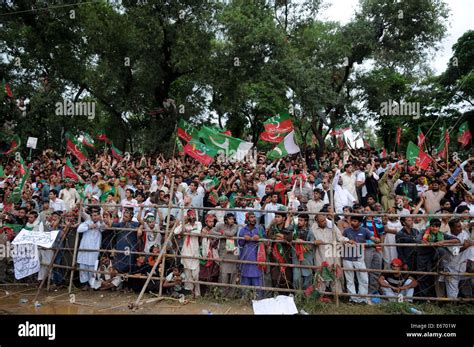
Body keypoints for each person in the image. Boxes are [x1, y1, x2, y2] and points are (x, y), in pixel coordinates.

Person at [415, 218, 460, 298]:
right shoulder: (424, 232)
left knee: (441, 250)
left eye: (436, 227)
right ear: (430, 226)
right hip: (423, 259)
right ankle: (423, 299)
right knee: (422, 278)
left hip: (434, 260)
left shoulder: (441, 234)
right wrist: (430, 243)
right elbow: (418, 240)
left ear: (439, 228)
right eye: (432, 226)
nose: (434, 228)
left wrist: (444, 242)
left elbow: (457, 240)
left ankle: (433, 299)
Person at [342, 215, 380, 303]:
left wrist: (376, 240)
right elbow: (341, 240)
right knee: (349, 279)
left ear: (360, 223)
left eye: (355, 221)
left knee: (363, 279)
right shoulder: (346, 230)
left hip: (359, 258)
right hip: (347, 258)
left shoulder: (365, 230)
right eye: (352, 221)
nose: (352, 223)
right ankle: (353, 299)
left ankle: (362, 298)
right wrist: (347, 241)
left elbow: (373, 238)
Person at [173, 209, 202, 298]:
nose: (192, 217)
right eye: (190, 215)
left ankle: (197, 294)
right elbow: (176, 231)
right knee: (188, 276)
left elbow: (197, 233)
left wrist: (187, 231)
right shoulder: (185, 224)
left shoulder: (198, 224)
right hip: (186, 253)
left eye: (193, 215)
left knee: (195, 275)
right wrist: (183, 223)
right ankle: (191, 293)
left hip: (195, 253)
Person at [238, 212, 266, 299]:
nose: (253, 219)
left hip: (257, 257)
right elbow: (240, 243)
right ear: (247, 219)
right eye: (251, 217)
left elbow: (266, 240)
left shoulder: (259, 229)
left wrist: (259, 238)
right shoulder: (243, 230)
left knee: (257, 279)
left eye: (254, 217)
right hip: (246, 257)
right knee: (245, 279)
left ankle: (258, 300)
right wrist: (244, 238)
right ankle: (245, 299)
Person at [77, 211, 106, 290]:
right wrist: (89, 227)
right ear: (91, 216)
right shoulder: (87, 223)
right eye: (94, 215)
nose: (95, 217)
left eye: (97, 215)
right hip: (84, 248)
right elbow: (79, 229)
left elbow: (104, 228)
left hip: (94, 249)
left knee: (92, 267)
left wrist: (100, 222)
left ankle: (91, 284)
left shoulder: (100, 224)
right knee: (83, 266)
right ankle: (85, 284)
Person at [444, 218, 473, 298]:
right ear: (452, 228)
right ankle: (451, 306)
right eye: (458, 227)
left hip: (463, 264)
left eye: (460, 226)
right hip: (452, 266)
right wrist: (465, 247)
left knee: (472, 248)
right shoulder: (447, 236)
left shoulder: (464, 233)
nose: (460, 228)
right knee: (452, 293)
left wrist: (469, 244)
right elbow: (454, 252)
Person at [267, 207, 293, 291]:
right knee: (275, 274)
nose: (277, 219)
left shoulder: (288, 227)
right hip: (274, 255)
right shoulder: (273, 227)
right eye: (276, 217)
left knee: (286, 276)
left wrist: (282, 236)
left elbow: (290, 237)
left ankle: (286, 295)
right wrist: (276, 237)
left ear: (284, 218)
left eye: (279, 217)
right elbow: (269, 235)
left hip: (285, 254)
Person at [215, 213, 239, 296]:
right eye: (230, 219)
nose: (232, 220)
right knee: (224, 274)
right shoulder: (220, 225)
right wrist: (221, 234)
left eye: (233, 219)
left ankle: (231, 295)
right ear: (226, 220)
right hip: (224, 253)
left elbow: (232, 233)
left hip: (233, 254)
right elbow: (212, 231)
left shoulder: (235, 226)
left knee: (233, 274)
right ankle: (223, 294)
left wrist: (222, 233)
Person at [290, 213, 314, 290]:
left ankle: (307, 298)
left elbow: (312, 244)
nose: (299, 222)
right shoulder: (294, 229)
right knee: (296, 278)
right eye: (298, 220)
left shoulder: (310, 231)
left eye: (301, 220)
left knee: (307, 277)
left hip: (306, 257)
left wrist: (303, 244)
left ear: (306, 222)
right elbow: (287, 232)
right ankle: (298, 296)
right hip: (296, 257)